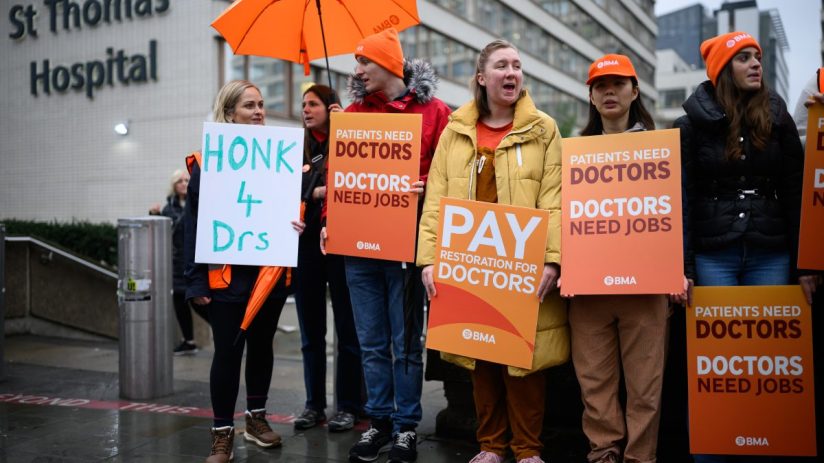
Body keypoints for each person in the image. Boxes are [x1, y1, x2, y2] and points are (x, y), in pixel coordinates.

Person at [416, 39, 569, 463]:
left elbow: (554, 200)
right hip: (471, 264)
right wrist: (428, 261)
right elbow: (436, 200)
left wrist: (552, 260)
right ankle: (490, 446)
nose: (512, 73)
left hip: (522, 262)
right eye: (502, 65)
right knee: (481, 353)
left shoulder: (544, 129)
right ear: (482, 78)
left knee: (524, 360)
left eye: (518, 65)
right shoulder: (454, 130)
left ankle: (527, 449)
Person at [674, 32, 812, 463]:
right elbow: (680, 200)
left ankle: (765, 450)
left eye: (758, 57)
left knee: (768, 364)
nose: (756, 64)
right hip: (714, 257)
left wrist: (807, 264)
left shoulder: (779, 116)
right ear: (721, 70)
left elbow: (798, 189)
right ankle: (712, 453)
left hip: (772, 254)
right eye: (744, 58)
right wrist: (685, 267)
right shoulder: (689, 125)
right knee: (716, 365)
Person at [319, 28, 451, 463]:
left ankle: (406, 427)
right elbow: (337, 177)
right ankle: (378, 423)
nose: (357, 71)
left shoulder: (435, 113)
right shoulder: (353, 115)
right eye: (357, 64)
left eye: (364, 62)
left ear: (391, 64)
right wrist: (326, 221)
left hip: (406, 246)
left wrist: (426, 186)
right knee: (372, 341)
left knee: (406, 340)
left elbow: (451, 174)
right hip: (358, 247)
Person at [183, 79, 306, 463]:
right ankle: (222, 434)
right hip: (226, 277)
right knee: (227, 353)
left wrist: (296, 222)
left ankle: (256, 419)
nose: (258, 111)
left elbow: (290, 211)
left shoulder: (279, 159)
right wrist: (195, 280)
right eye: (249, 105)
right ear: (229, 112)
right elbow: (193, 224)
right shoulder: (207, 163)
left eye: (261, 104)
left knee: (262, 348)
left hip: (268, 273)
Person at [568, 54, 681, 463]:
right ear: (592, 97)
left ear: (635, 91)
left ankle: (639, 458)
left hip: (647, 288)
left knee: (645, 387)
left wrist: (678, 270)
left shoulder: (661, 149)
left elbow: (674, 212)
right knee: (594, 384)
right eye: (600, 85)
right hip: (589, 288)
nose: (609, 91)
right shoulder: (572, 155)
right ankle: (603, 453)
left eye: (618, 83)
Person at [293, 84, 363, 432]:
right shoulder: (296, 148)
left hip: (342, 241)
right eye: (303, 104)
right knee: (311, 333)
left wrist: (346, 125)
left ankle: (349, 405)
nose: (306, 109)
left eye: (313, 104)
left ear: (330, 106)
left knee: (348, 331)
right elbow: (286, 190)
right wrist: (317, 191)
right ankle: (313, 405)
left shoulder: (347, 138)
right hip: (305, 246)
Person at [150, 169, 209, 355]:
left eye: (186, 180)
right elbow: (166, 232)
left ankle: (226, 331)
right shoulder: (169, 208)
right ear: (174, 186)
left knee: (198, 301)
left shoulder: (199, 202)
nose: (184, 183)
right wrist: (155, 216)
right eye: (179, 181)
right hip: (176, 263)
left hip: (194, 261)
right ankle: (188, 340)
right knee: (179, 302)